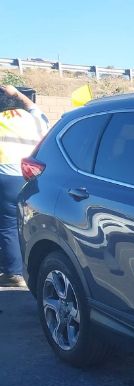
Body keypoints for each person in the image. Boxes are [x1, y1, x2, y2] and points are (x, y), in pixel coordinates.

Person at [0, 85, 49, 287]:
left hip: (6, 178)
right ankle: (25, 266)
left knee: (8, 225)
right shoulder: (35, 119)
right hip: (31, 177)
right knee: (26, 224)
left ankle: (14, 273)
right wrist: (17, 93)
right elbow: (32, 106)